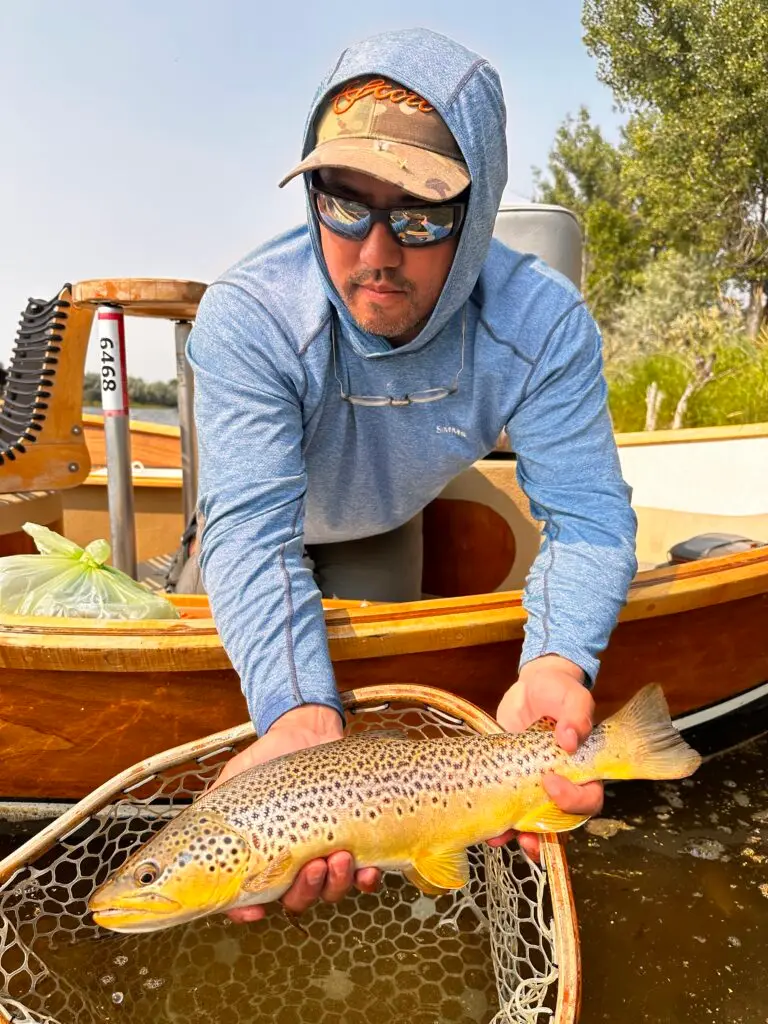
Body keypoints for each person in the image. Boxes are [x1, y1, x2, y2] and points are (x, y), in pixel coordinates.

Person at [186, 27, 638, 924]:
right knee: (288, 707)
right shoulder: (250, 317)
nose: (375, 252)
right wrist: (298, 715)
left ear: (479, 216)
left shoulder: (542, 324)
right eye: (344, 203)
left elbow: (587, 520)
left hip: (387, 524)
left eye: (423, 216)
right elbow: (251, 536)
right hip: (264, 530)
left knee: (376, 710)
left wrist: (557, 660)